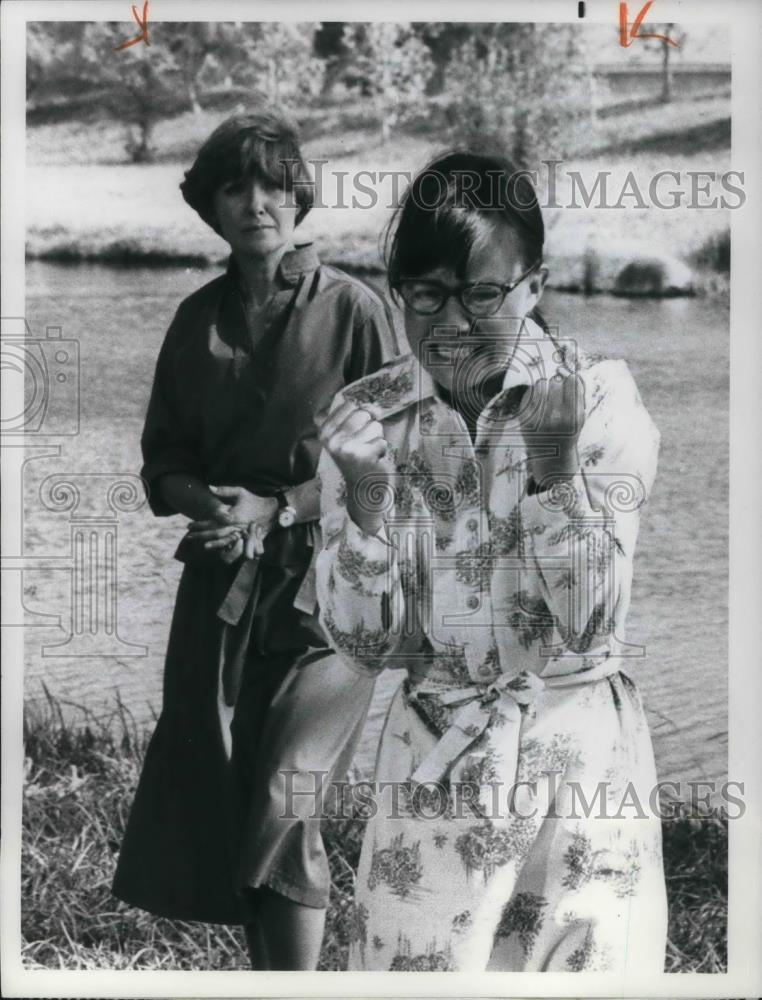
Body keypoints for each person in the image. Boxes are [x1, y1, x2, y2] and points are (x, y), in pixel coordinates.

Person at [315, 150, 668, 971]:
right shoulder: (367, 418)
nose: (453, 323)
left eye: (482, 294)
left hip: (581, 762)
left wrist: (553, 469)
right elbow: (365, 648)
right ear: (396, 290)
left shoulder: (598, 398)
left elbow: (591, 621)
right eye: (426, 294)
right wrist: (366, 501)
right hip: (434, 765)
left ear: (534, 286)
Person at [111, 111, 400, 970]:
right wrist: (210, 503)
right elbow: (163, 459)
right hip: (219, 590)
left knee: (286, 799)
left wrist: (278, 508)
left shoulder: (355, 310)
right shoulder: (194, 318)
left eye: (273, 185)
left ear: (299, 195)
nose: (256, 204)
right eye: (235, 188)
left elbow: (400, 463)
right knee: (237, 807)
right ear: (210, 205)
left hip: (331, 595)